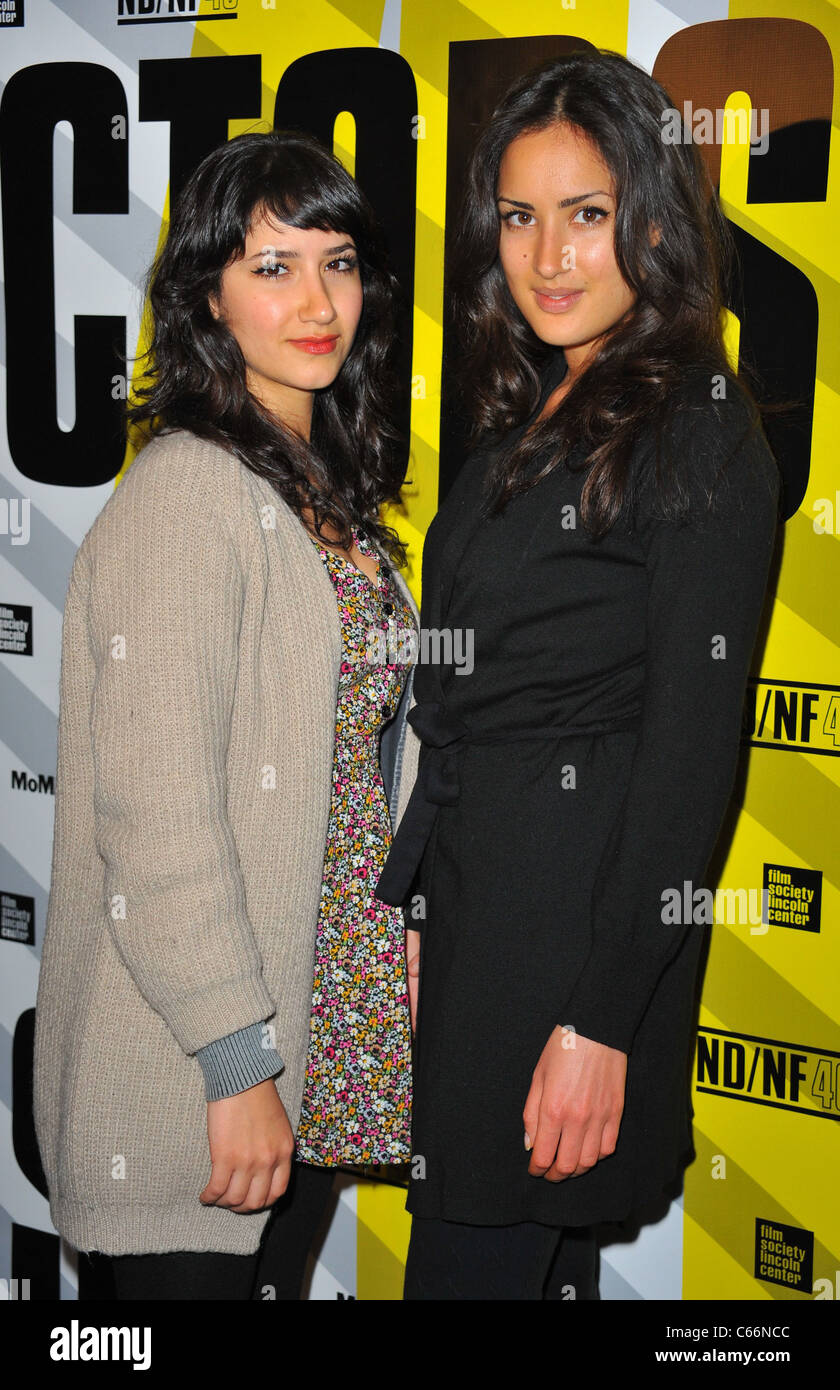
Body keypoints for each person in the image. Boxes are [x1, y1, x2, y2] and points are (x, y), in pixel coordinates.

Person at [376, 50, 783, 1301]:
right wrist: (416, 909)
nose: (548, 255)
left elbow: (692, 759)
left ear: (652, 222)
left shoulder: (703, 424)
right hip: (479, 904)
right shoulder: (521, 412)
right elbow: (459, 699)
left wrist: (603, 1017)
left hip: (573, 934)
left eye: (587, 214)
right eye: (519, 216)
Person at [33, 128, 420, 1301]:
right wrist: (236, 1061)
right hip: (197, 1078)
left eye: (340, 262)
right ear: (207, 293)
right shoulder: (191, 493)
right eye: (273, 266)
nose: (319, 301)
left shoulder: (322, 492)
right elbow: (157, 819)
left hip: (308, 1030)